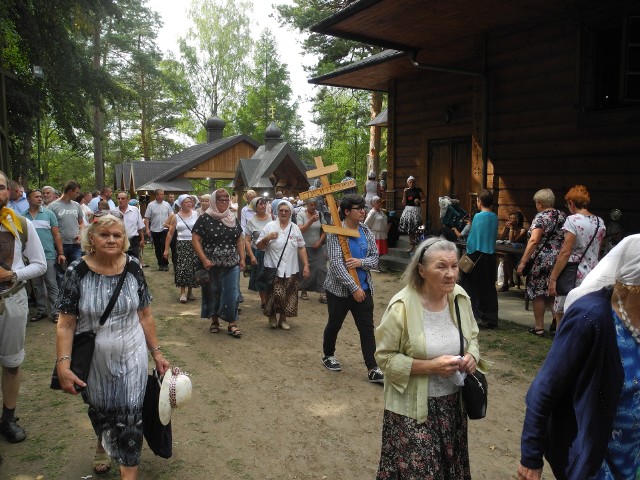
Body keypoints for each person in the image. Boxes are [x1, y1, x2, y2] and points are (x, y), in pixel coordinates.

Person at [55, 214, 170, 477]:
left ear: (124, 240)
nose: (111, 240)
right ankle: (102, 443)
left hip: (132, 354)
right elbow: (65, 323)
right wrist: (63, 363)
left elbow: (145, 314)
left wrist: (157, 353)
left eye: (117, 235)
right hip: (93, 360)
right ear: (91, 239)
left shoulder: (133, 267)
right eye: (104, 234)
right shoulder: (77, 271)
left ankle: (128, 472)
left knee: (130, 415)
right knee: (102, 409)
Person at [518, 234, 640, 480]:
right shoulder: (591, 319)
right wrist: (531, 457)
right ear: (633, 285)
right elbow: (543, 390)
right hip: (594, 459)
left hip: (631, 457)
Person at [374, 237, 481, 479]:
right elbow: (385, 359)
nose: (451, 274)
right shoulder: (401, 306)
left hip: (453, 408)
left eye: (454, 266)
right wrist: (430, 367)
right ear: (421, 270)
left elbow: (472, 336)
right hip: (412, 411)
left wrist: (471, 355)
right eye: (441, 266)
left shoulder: (460, 297)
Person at [0, 171, 47, 444]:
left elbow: (39, 264)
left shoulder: (20, 223)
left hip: (11, 301)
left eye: (1, 187)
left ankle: (8, 417)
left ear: (9, 192)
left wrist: (12, 275)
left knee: (12, 364)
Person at [320, 194, 383, 383]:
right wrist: (354, 288)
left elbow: (375, 259)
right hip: (339, 290)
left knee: (367, 328)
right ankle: (328, 355)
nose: (363, 211)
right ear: (347, 211)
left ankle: (372, 368)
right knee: (335, 323)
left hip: (364, 288)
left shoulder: (365, 231)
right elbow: (337, 265)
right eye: (358, 208)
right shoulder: (336, 232)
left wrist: (360, 262)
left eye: (363, 207)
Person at [547, 185, 606, 330]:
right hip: (592, 273)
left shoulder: (572, 221)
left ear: (572, 203)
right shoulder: (600, 222)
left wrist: (553, 278)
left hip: (571, 274)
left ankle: (562, 343)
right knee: (585, 311)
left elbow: (565, 252)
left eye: (568, 204)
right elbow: (597, 251)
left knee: (563, 311)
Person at [192, 189, 245, 338]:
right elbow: (195, 240)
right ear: (213, 202)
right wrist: (204, 259)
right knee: (213, 292)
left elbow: (239, 239)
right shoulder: (205, 218)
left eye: (226, 200)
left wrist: (242, 258)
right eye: (220, 200)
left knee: (232, 293)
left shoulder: (232, 217)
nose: (224, 202)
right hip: (211, 264)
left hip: (231, 263)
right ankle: (214, 321)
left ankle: (232, 324)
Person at [517, 189, 567, 336]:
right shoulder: (563, 216)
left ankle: (539, 327)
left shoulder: (541, 217)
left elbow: (534, 240)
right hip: (558, 259)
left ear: (539, 203)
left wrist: (523, 261)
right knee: (552, 291)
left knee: (538, 293)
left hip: (541, 259)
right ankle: (558, 324)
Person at [257, 200, 309, 330]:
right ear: (277, 212)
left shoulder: (295, 228)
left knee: (289, 294)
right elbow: (258, 246)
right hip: (273, 267)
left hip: (291, 268)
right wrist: (267, 238)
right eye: (281, 210)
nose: (284, 212)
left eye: (286, 210)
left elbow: (301, 247)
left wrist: (306, 264)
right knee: (273, 294)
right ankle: (272, 316)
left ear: (291, 212)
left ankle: (283, 319)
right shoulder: (269, 226)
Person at [22, 188, 64, 323]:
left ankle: (56, 312)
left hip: (49, 254)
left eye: (41, 196)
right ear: (28, 199)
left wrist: (61, 253)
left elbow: (56, 235)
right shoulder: (23, 217)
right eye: (36, 197)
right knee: (37, 285)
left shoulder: (49, 214)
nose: (40, 198)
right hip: (31, 257)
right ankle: (41, 311)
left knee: (52, 284)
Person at [460, 189, 499, 329]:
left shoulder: (478, 216)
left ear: (480, 201)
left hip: (476, 254)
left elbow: (473, 238)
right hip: (490, 255)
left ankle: (474, 314)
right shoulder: (495, 216)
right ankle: (490, 317)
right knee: (488, 287)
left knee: (471, 286)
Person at [163, 194, 199, 303]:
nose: (189, 203)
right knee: (182, 267)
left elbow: (200, 230)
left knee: (192, 267)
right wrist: (166, 249)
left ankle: (190, 291)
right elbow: (170, 233)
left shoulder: (196, 214)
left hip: (194, 244)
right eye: (186, 202)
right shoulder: (176, 216)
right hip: (181, 244)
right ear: (180, 204)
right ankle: (182, 292)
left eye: (190, 202)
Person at [48, 180, 84, 286]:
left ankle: (75, 294)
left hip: (75, 244)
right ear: (70, 191)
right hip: (60, 245)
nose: (78, 195)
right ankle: (62, 296)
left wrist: (81, 234)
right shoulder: (52, 206)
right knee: (61, 273)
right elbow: (49, 227)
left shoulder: (76, 205)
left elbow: (81, 223)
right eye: (77, 192)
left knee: (77, 270)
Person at [296, 197, 327, 303]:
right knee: (304, 269)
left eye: (315, 205)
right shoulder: (301, 214)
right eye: (311, 205)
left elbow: (324, 230)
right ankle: (303, 290)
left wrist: (320, 241)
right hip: (303, 247)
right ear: (307, 205)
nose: (313, 207)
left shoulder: (320, 214)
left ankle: (322, 291)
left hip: (317, 247)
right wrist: (311, 220)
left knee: (321, 268)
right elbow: (300, 230)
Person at [244, 197, 271, 310]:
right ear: (255, 207)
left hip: (271, 252)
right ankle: (264, 301)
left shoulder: (272, 219)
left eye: (264, 204)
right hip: (258, 252)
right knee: (261, 277)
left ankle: (270, 299)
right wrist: (251, 255)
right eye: (260, 204)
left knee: (271, 277)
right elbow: (247, 240)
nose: (263, 206)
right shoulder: (251, 222)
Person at [143, 189, 173, 271]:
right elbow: (147, 217)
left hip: (165, 229)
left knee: (164, 246)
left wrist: (170, 226)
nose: (163, 196)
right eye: (161, 194)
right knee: (157, 247)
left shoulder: (167, 205)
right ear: (156, 196)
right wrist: (147, 229)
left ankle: (166, 263)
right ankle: (160, 263)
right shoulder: (151, 205)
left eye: (163, 194)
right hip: (155, 229)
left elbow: (171, 215)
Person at [498, 211, 527, 292]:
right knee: (507, 258)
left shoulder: (523, 230)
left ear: (518, 220)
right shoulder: (509, 228)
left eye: (513, 218)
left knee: (507, 258)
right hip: (511, 254)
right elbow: (500, 238)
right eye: (510, 218)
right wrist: (505, 228)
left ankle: (508, 283)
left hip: (520, 256)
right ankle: (509, 282)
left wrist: (511, 229)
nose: (510, 220)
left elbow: (512, 241)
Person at [115, 191, 145, 259]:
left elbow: (140, 225)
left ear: (128, 200)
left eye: (123, 198)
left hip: (133, 240)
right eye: (118, 198)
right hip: (119, 240)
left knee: (134, 260)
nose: (120, 200)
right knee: (121, 260)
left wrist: (142, 239)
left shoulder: (135, 210)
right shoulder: (113, 212)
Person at [399, 176, 425, 252]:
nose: (411, 183)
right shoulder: (406, 191)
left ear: (415, 182)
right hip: (408, 210)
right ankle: (412, 246)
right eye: (410, 182)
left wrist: (419, 201)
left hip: (416, 210)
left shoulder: (418, 190)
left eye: (413, 182)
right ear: (407, 183)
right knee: (410, 229)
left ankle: (418, 246)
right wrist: (404, 193)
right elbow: (404, 203)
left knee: (418, 228)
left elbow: (424, 199)